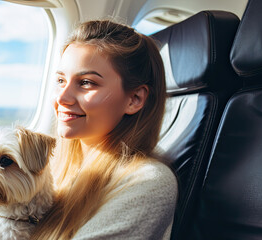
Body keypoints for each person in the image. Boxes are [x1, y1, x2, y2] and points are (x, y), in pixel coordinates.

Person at [31, 20, 178, 240]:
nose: (61, 97)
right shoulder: (52, 165)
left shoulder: (148, 182)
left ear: (134, 99)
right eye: (61, 80)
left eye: (86, 82)